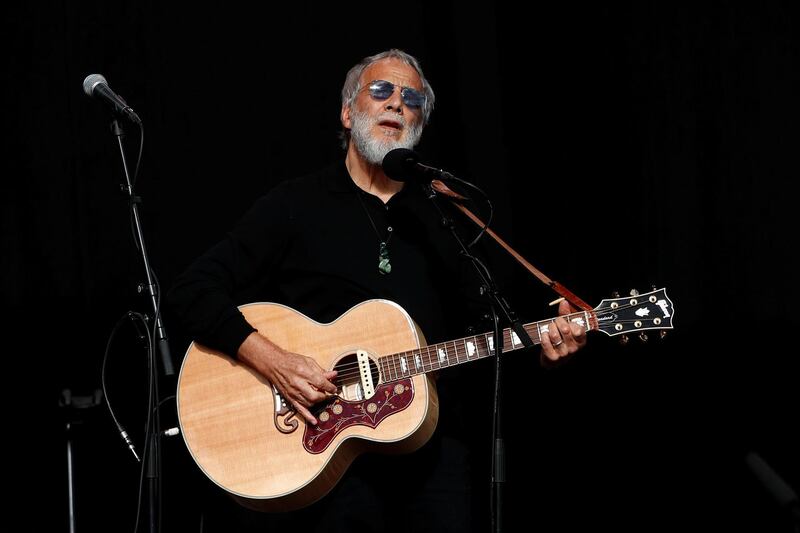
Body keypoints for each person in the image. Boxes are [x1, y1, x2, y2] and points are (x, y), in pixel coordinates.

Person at [167, 48, 587, 532]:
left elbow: (486, 338)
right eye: (381, 90)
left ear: (420, 126)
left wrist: (543, 349)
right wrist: (273, 360)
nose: (396, 104)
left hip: (434, 463)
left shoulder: (450, 217)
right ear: (348, 112)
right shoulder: (295, 204)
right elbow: (191, 290)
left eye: (411, 99)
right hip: (322, 458)